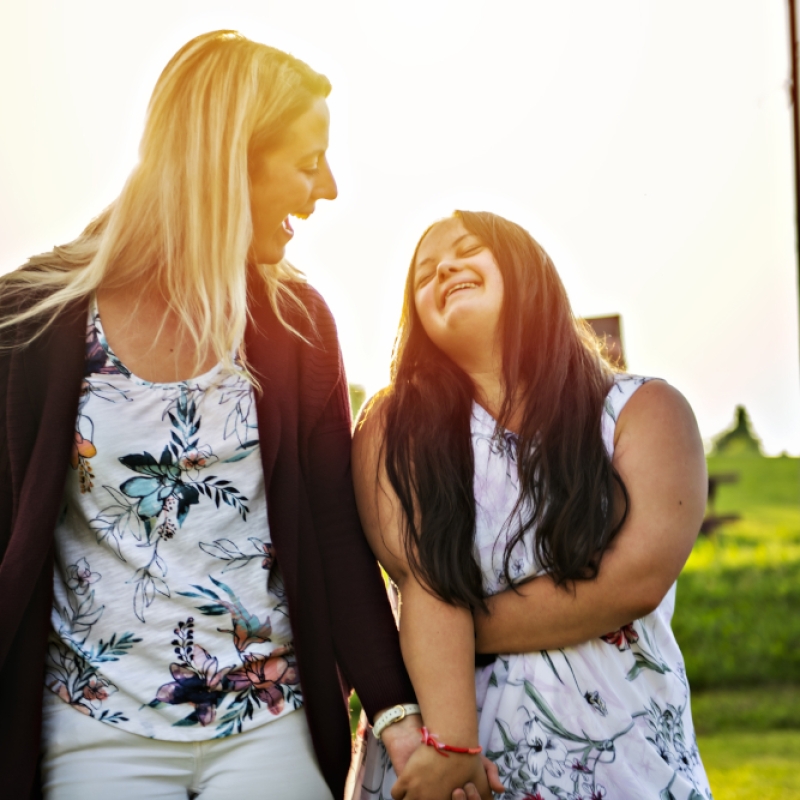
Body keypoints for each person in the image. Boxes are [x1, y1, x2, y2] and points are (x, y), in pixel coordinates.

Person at [0, 30, 426, 800]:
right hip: (93, 732)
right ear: (229, 160)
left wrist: (397, 715)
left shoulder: (298, 323)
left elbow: (335, 532)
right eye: (306, 162)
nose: (326, 188)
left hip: (268, 728)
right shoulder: (33, 319)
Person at [352, 210, 713, 800]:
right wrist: (452, 750)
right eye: (425, 273)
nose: (445, 268)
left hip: (629, 767)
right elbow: (422, 578)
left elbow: (634, 582)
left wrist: (449, 629)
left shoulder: (645, 410)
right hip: (453, 775)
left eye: (467, 250)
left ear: (525, 267)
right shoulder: (391, 428)